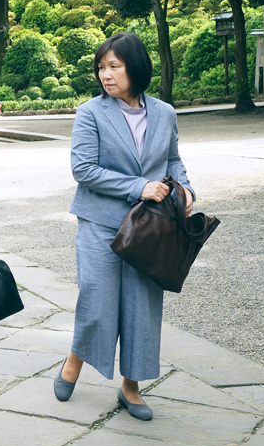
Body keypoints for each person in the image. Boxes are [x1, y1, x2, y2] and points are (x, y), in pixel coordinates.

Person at [54, 33, 195, 421]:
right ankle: (74, 361)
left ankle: (130, 388)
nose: (106, 74)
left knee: (142, 307)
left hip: (151, 227)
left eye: (114, 66)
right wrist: (138, 186)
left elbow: (173, 161)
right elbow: (83, 169)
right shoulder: (90, 113)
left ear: (135, 67)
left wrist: (185, 189)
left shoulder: (165, 113)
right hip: (100, 222)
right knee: (96, 300)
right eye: (101, 67)